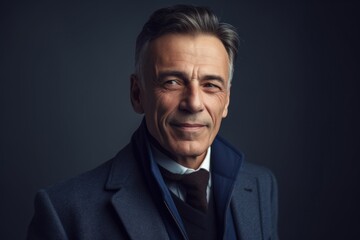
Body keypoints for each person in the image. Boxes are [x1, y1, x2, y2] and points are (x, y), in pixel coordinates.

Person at [27, 5, 278, 240]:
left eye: (210, 85)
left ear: (226, 101)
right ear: (138, 95)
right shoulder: (64, 211)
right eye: (172, 82)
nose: (193, 103)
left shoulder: (260, 185)